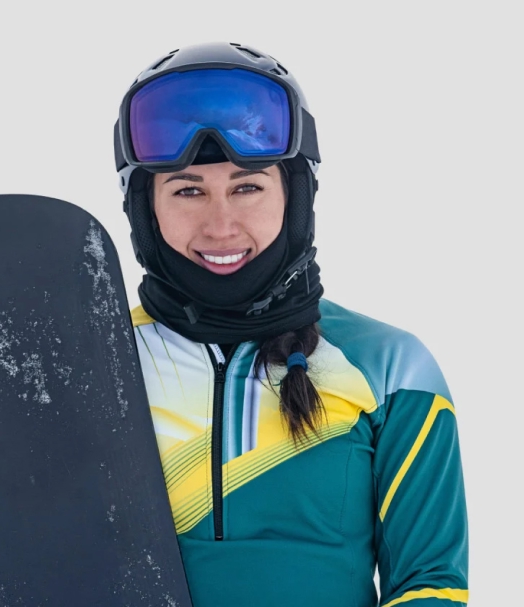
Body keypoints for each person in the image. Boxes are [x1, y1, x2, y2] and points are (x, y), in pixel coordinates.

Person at [113, 42, 469, 606]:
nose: (220, 224)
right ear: (145, 208)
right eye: (187, 190)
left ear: (295, 195)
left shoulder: (391, 368)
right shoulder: (99, 365)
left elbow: (429, 584)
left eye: (248, 186)